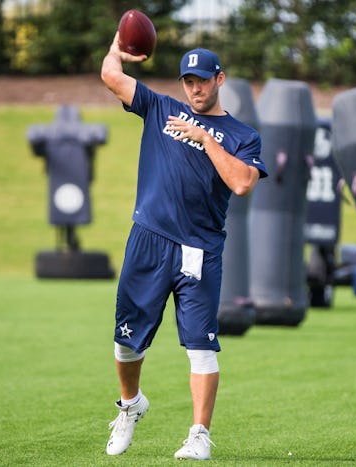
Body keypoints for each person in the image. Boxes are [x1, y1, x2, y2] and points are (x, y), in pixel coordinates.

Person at [100, 32, 267, 460]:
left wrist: (205, 137)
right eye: (188, 81)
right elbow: (111, 77)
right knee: (126, 342)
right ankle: (131, 405)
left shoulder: (241, 134)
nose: (195, 88)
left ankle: (198, 435)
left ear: (219, 80)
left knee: (201, 345)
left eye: (203, 80)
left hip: (200, 250)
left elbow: (243, 183)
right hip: (148, 239)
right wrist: (118, 49)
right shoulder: (160, 107)